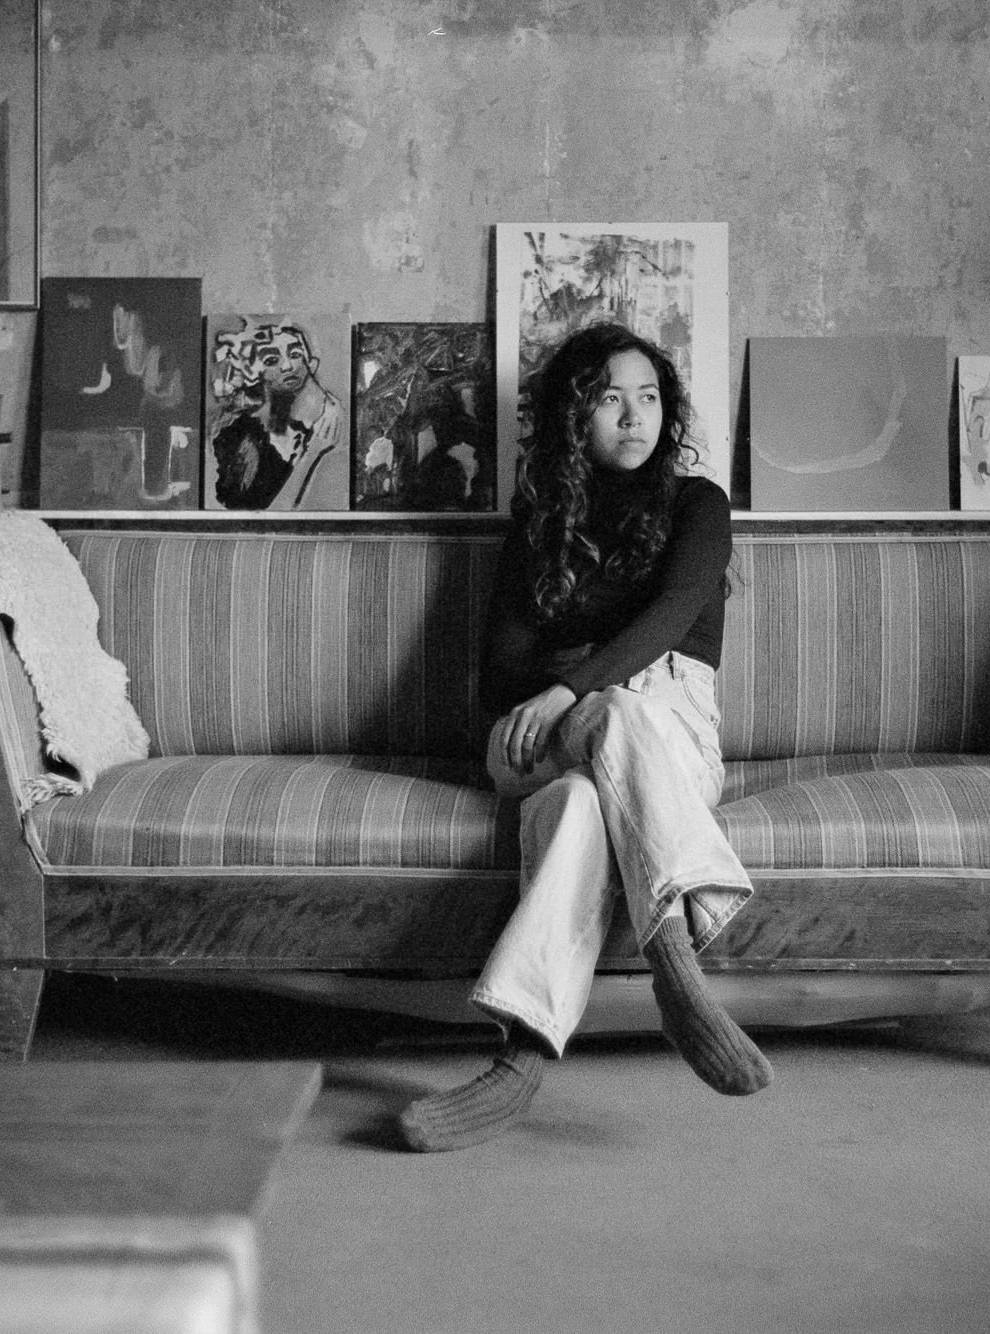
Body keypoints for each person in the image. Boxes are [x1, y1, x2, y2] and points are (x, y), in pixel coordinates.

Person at [397, 322, 771, 1153]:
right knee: (606, 724)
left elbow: (674, 614)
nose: (634, 417)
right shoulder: (542, 519)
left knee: (576, 807)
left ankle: (519, 1064)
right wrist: (571, 694)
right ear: (577, 415)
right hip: (533, 731)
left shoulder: (697, 506)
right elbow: (499, 677)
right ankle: (677, 969)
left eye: (648, 397)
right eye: (609, 398)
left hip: (664, 733)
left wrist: (573, 677)